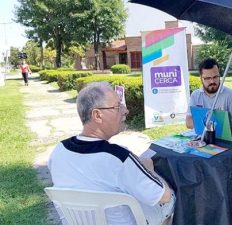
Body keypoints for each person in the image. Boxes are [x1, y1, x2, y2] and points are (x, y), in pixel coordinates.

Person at [48, 82, 175, 225]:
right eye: (118, 106)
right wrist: (149, 170)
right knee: (170, 199)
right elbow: (164, 196)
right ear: (97, 115)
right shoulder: (119, 157)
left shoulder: (58, 151)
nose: (125, 110)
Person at [185, 58, 232, 129]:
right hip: (203, 137)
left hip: (226, 139)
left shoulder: (231, 96)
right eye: (208, 78)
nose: (212, 81)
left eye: (215, 77)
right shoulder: (195, 95)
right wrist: (213, 126)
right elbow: (188, 122)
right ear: (201, 78)